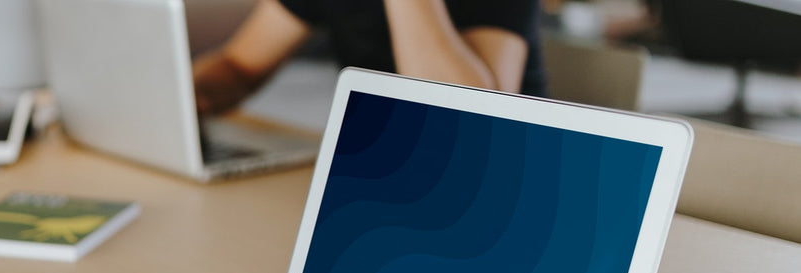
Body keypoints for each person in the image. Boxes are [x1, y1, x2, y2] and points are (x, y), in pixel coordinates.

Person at [192, 0, 546, 115]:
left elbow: (472, 121)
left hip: (499, 183)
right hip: (384, 171)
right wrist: (183, 94)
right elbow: (238, 67)